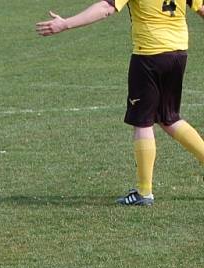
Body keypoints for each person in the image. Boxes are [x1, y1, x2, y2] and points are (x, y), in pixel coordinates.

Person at [36, 1, 204, 206]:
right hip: (178, 53)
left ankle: (144, 192)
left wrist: (66, 24)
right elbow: (201, 7)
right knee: (169, 118)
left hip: (149, 54)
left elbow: (106, 8)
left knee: (143, 122)